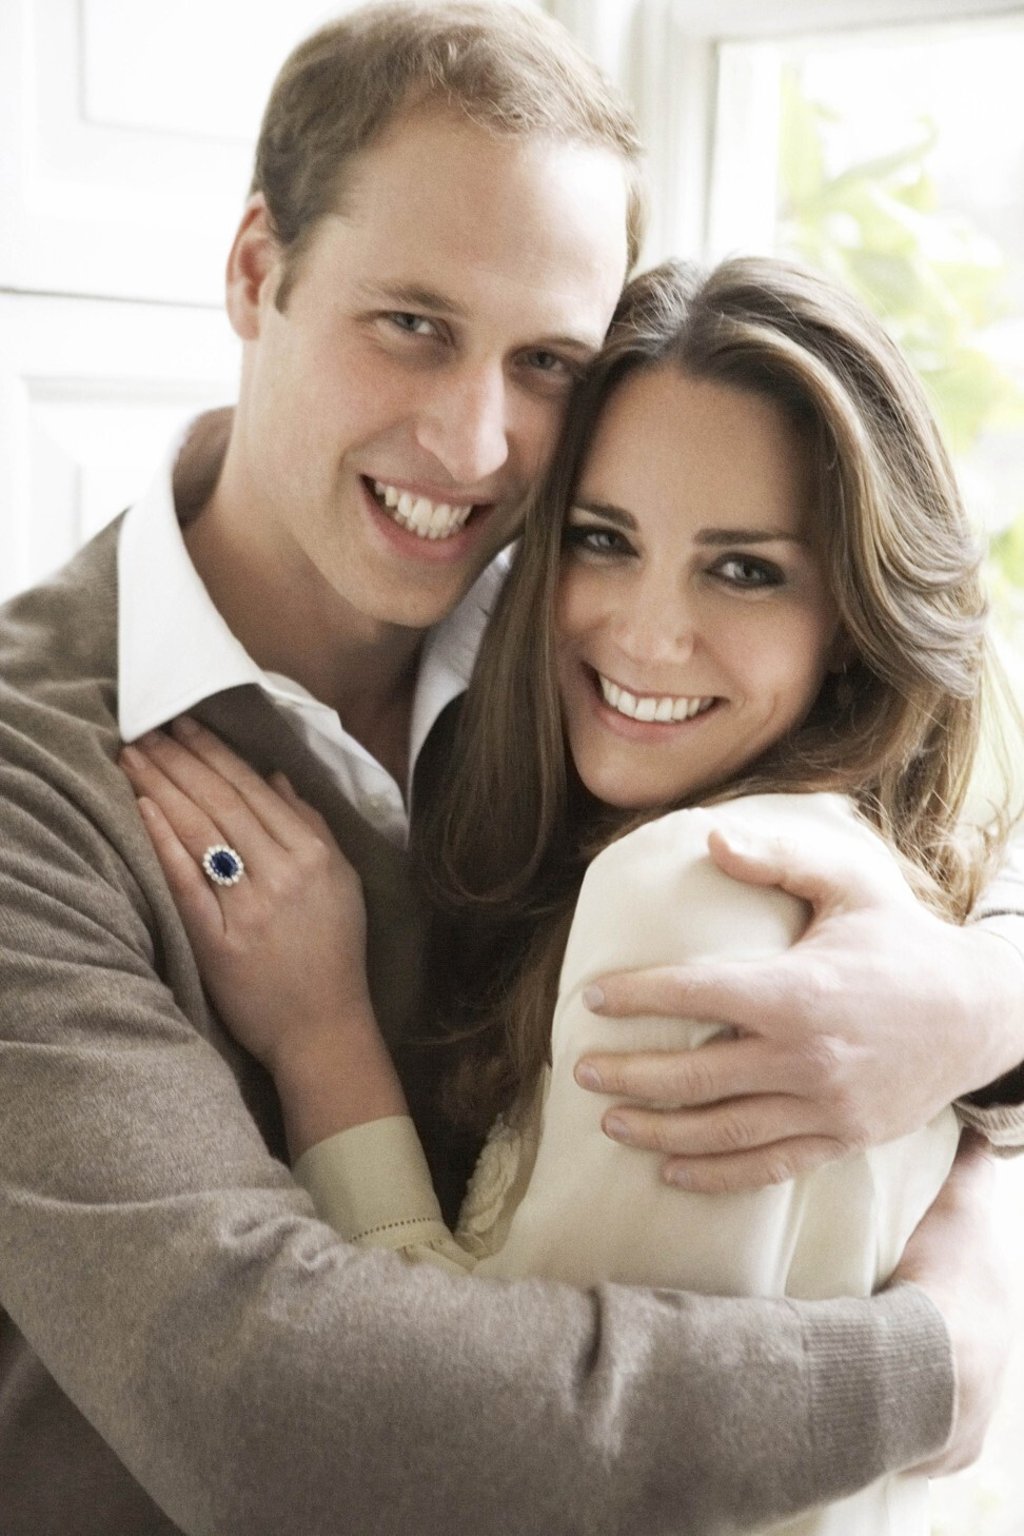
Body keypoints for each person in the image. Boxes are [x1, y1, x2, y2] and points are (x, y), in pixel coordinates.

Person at [0, 5, 1020, 1533]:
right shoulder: (34, 783)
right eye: (412, 324)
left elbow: (954, 768)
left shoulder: (600, 650)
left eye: (546, 359)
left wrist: (979, 1015)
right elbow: (270, 1414)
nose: (474, 446)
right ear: (258, 271)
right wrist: (934, 1368)